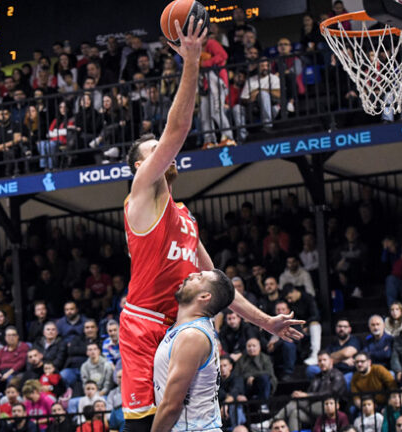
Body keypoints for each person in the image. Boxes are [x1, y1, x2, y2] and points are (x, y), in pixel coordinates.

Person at [120, 17, 302, 432]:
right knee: (146, 424)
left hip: (183, 324)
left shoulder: (185, 216)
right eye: (155, 150)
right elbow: (179, 127)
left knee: (185, 420)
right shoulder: (142, 192)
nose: (167, 153)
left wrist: (266, 322)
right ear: (140, 165)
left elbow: (218, 283)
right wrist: (191, 60)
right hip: (146, 323)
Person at [151, 269, 235, 432]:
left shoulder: (192, 336)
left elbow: (171, 406)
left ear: (204, 297)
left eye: (199, 277)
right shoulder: (184, 329)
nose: (190, 275)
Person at [272, 351, 346, 431]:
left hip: (328, 406)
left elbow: (331, 392)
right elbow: (309, 392)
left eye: (324, 360)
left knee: (296, 401)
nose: (322, 362)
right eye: (320, 361)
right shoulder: (317, 377)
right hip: (313, 408)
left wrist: (306, 395)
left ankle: (272, 421)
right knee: (295, 413)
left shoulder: (337, 375)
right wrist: (301, 394)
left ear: (331, 361)